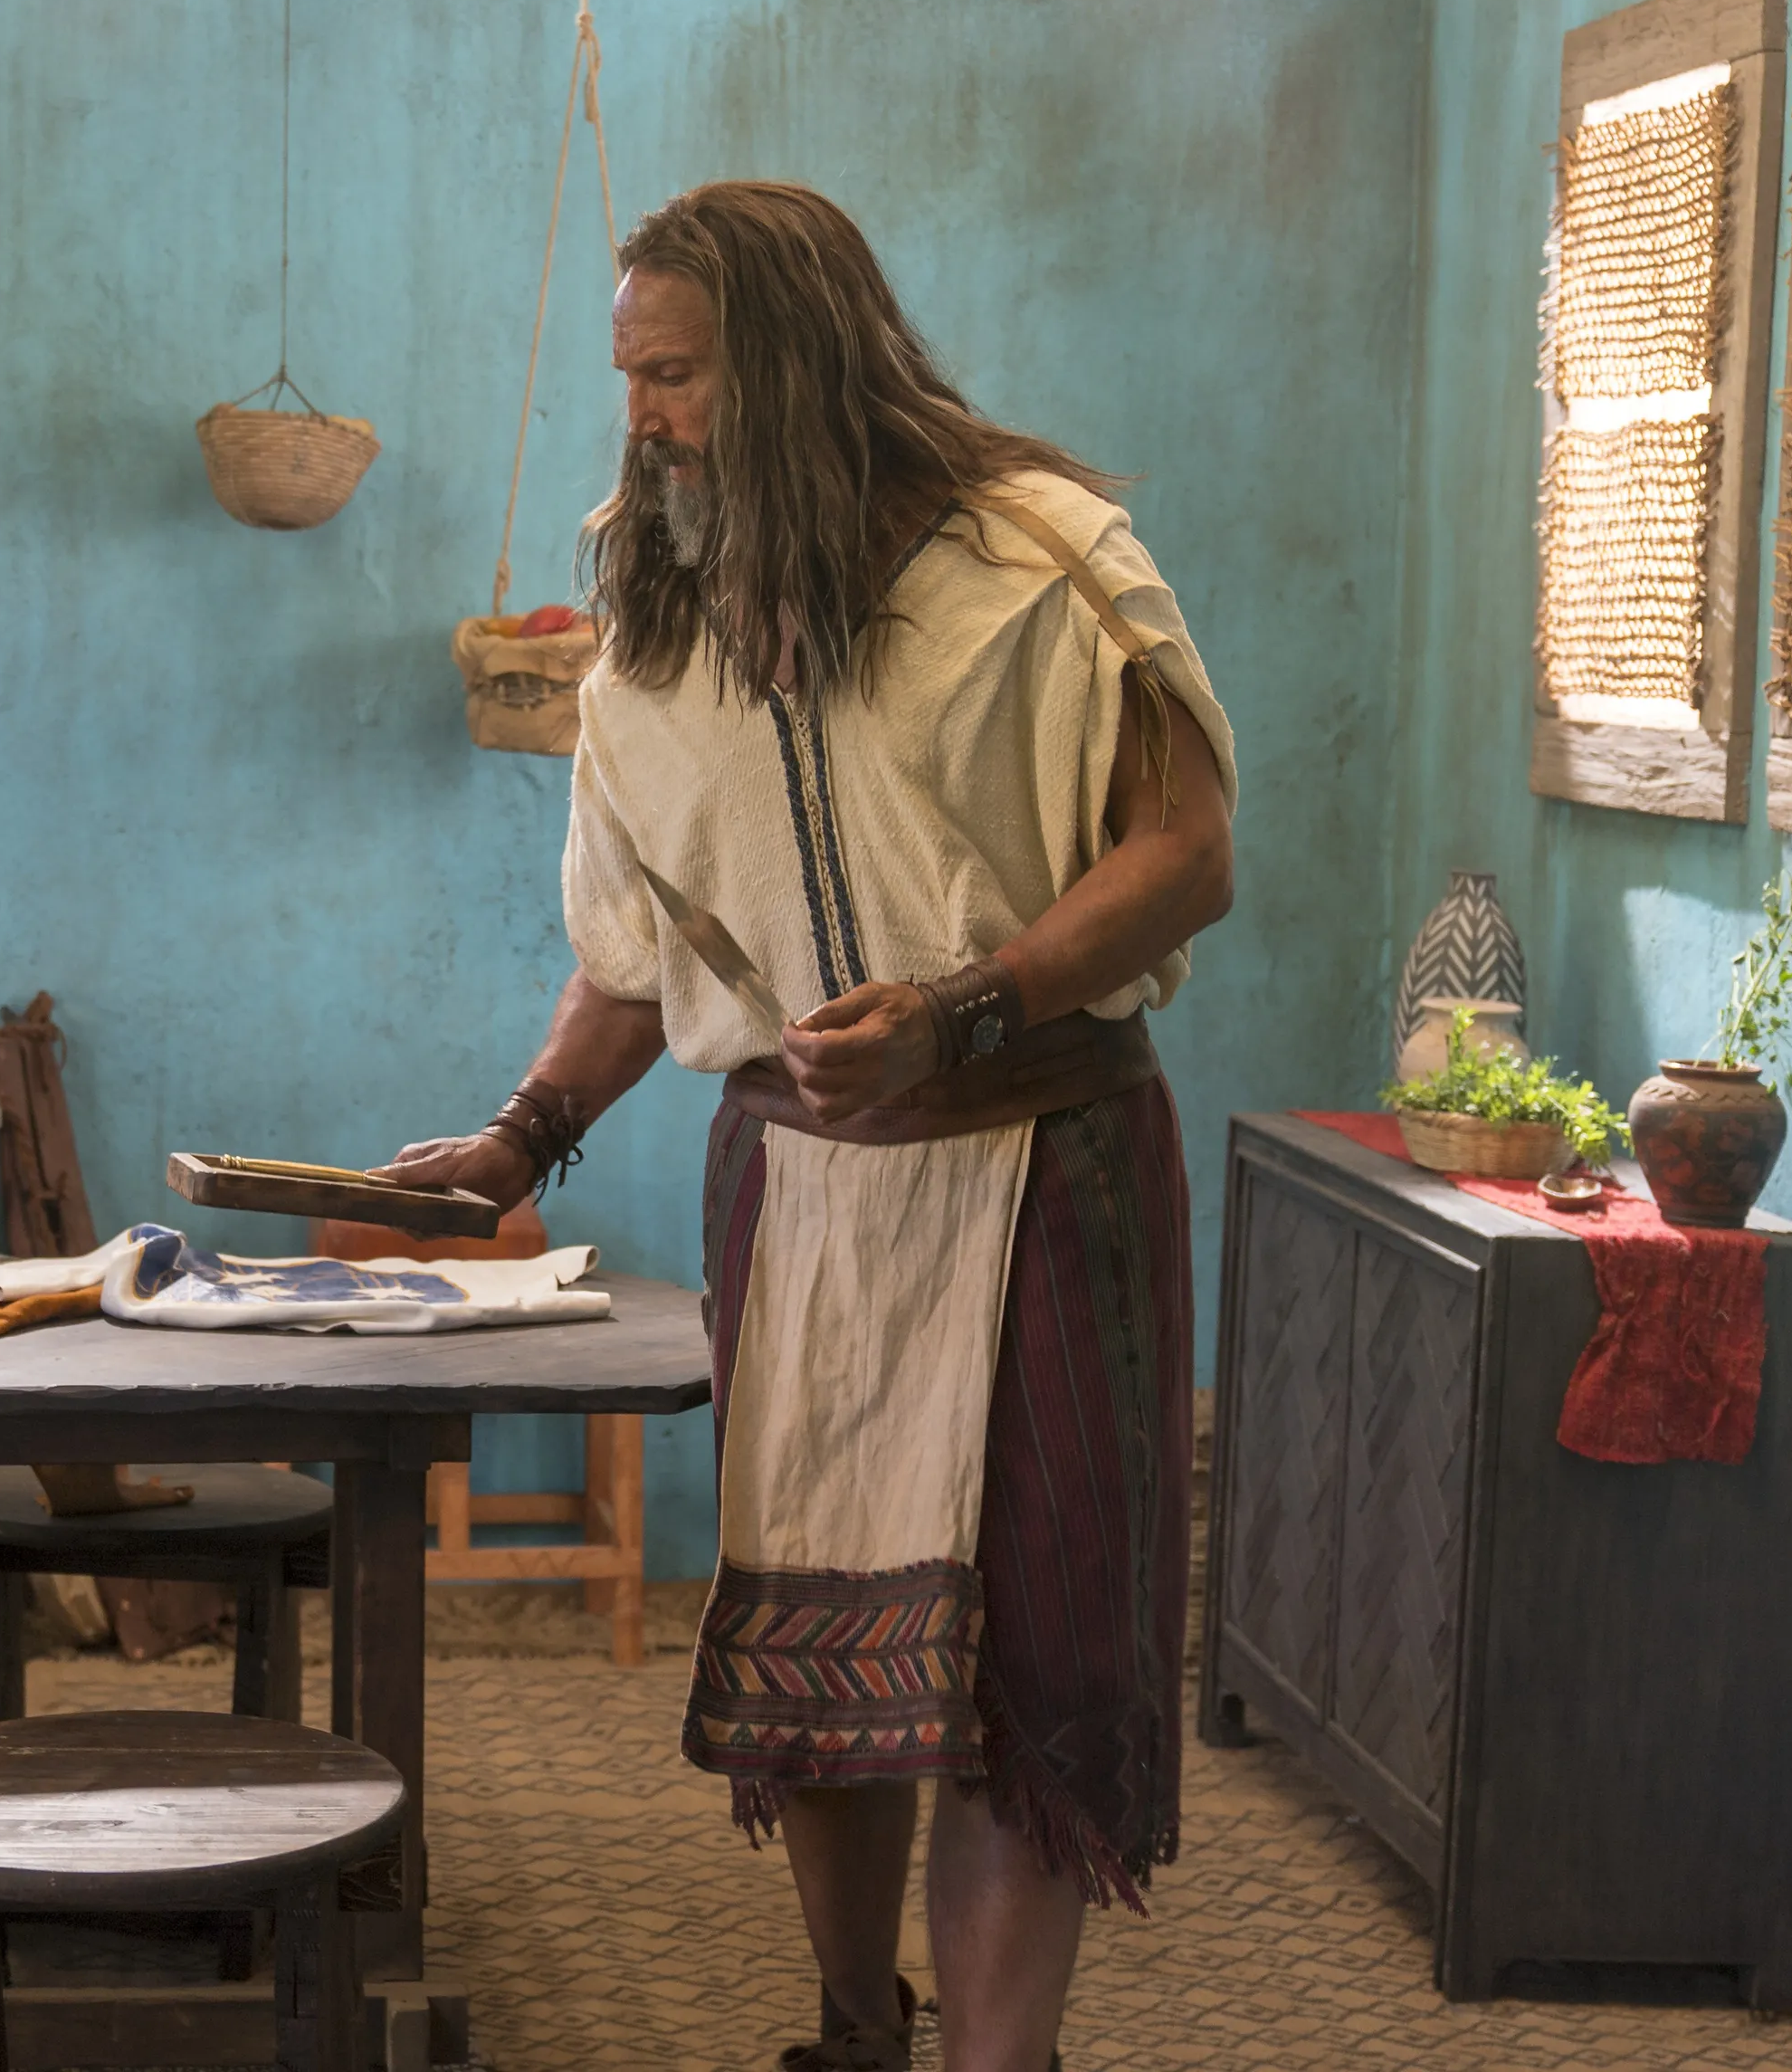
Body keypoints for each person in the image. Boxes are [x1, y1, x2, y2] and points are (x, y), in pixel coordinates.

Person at [378, 181, 1235, 2072]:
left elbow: (1185, 852)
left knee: (1027, 1653)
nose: (645, 418)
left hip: (1048, 1169)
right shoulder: (654, 647)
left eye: (675, 374)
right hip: (805, 1187)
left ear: (789, 362)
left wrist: (967, 1005)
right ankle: (858, 2030)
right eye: (630, 379)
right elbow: (648, 944)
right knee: (828, 1648)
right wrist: (519, 1138)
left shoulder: (1046, 566)